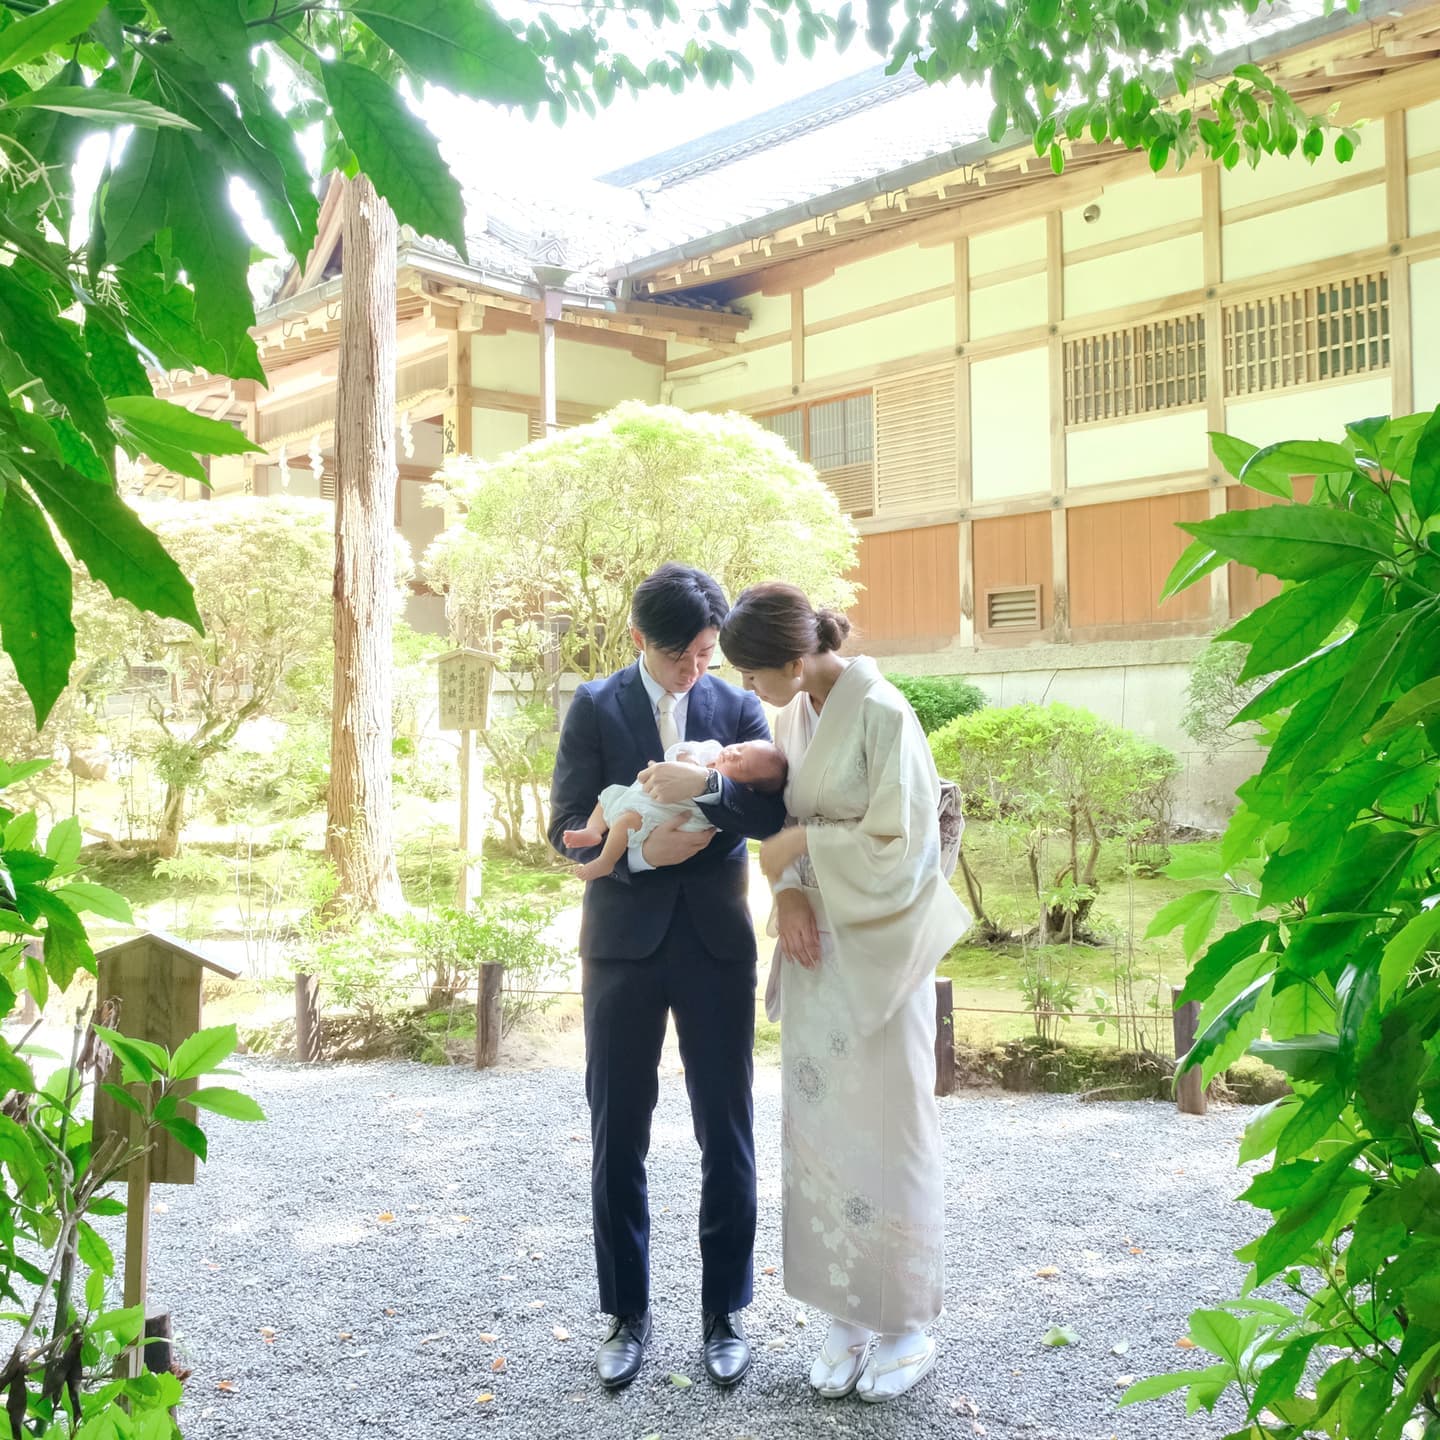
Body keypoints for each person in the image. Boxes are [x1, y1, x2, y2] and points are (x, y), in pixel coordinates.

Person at [717, 583, 972, 1404]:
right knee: (822, 1129)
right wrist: (788, 885)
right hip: (818, 951)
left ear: (798, 659)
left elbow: (905, 848)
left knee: (891, 1128)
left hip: (883, 947)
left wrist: (798, 845)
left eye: (758, 676)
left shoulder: (885, 712)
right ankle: (845, 1311)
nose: (752, 693)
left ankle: (904, 1321)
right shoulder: (799, 715)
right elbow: (784, 827)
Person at [548, 564, 787, 1391]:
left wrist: (710, 790)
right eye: (683, 655)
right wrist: (644, 851)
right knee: (619, 1132)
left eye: (707, 654)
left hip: (718, 943)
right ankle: (626, 1314)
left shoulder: (733, 704)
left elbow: (770, 811)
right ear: (638, 639)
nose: (697, 669)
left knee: (727, 1130)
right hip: (621, 946)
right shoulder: (595, 705)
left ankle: (725, 1312)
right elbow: (565, 826)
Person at [562, 739, 788, 882]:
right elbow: (564, 818)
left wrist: (707, 783)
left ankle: (606, 860)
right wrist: (639, 858)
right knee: (608, 795)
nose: (733, 753)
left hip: (660, 815)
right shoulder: (711, 751)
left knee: (625, 822)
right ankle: (593, 830)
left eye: (741, 764)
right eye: (740, 747)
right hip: (623, 926)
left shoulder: (742, 704)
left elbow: (768, 819)